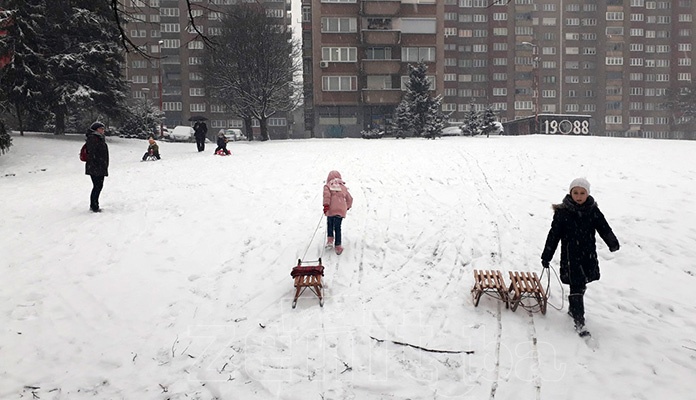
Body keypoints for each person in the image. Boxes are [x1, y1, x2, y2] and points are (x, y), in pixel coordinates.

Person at [541, 178, 620, 337]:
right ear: (570, 193)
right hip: (571, 257)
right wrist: (547, 255)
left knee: (582, 284)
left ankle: (573, 309)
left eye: (582, 193)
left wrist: (612, 242)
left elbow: (603, 228)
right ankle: (579, 321)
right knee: (576, 286)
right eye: (575, 192)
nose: (578, 196)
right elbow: (554, 235)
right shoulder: (563, 212)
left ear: (587, 194)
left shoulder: (593, 210)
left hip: (588, 255)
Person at [323, 170, 353, 255]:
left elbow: (327, 196)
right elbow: (350, 199)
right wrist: (346, 207)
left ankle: (330, 240)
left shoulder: (327, 186)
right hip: (340, 209)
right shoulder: (343, 187)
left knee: (330, 223)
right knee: (337, 227)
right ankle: (338, 246)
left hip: (331, 208)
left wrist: (326, 205)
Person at [84, 122, 109, 213]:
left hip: (98, 166)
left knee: (98, 186)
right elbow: (94, 153)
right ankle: (94, 205)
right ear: (96, 129)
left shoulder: (98, 138)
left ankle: (94, 204)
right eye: (101, 128)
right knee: (97, 186)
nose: (103, 130)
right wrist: (99, 163)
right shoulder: (93, 138)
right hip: (95, 166)